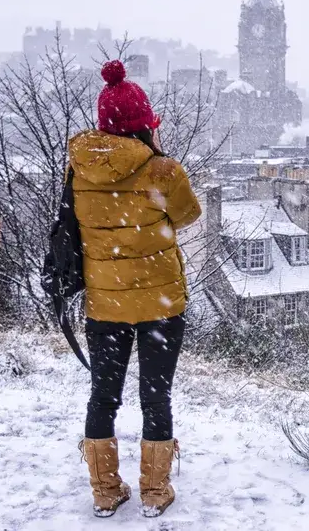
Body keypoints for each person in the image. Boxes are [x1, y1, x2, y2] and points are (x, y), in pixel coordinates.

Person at [68, 59, 201, 518]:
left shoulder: (80, 172)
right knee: (155, 394)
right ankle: (154, 491)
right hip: (160, 303)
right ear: (145, 125)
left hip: (104, 304)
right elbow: (188, 216)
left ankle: (105, 491)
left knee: (103, 395)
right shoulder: (162, 171)